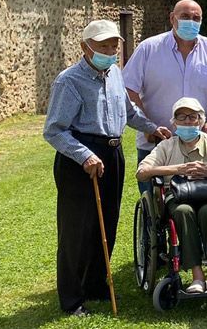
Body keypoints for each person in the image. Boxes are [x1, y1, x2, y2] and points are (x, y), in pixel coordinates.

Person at [43, 19, 171, 316]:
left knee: (108, 222)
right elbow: (54, 130)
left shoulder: (114, 73)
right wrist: (84, 155)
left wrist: (152, 128)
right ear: (84, 47)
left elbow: (127, 111)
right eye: (103, 45)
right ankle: (72, 299)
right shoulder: (69, 80)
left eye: (114, 45)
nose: (111, 50)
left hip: (112, 154)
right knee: (77, 229)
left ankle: (96, 284)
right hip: (81, 159)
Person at [136, 97, 207, 298]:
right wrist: (176, 169)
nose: (187, 121)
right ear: (174, 122)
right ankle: (198, 276)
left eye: (193, 117)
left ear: (201, 121)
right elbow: (142, 172)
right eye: (182, 117)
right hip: (178, 197)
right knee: (183, 211)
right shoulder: (167, 146)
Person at [124, 0, 207, 193]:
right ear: (172, 18)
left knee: (203, 203)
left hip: (199, 145)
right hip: (156, 145)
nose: (191, 21)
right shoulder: (149, 48)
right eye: (185, 17)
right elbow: (128, 89)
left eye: (196, 18)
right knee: (157, 207)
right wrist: (148, 126)